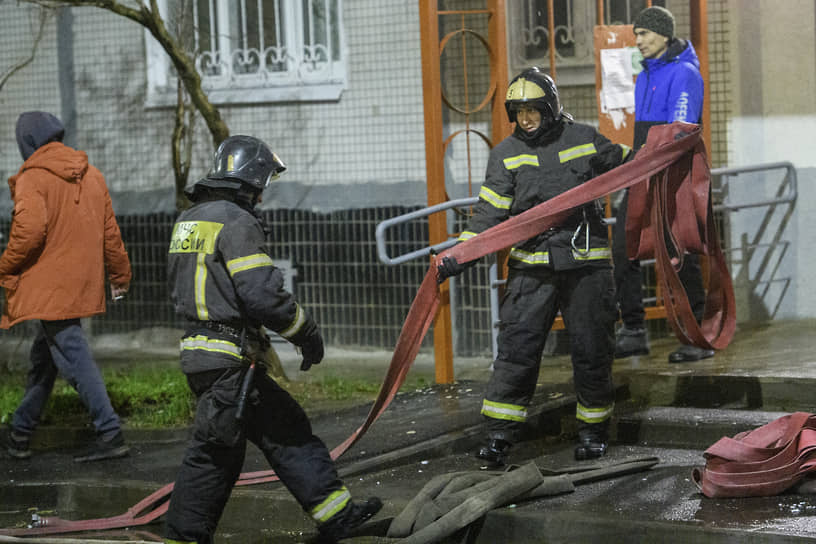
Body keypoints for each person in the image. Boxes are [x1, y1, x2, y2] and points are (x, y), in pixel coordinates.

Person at [163, 135, 381, 544]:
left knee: (281, 428)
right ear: (250, 181)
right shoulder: (236, 221)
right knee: (213, 456)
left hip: (202, 353)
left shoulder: (189, 219)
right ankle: (183, 537)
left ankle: (338, 516)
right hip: (228, 360)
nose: (262, 196)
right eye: (262, 184)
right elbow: (263, 295)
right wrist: (307, 334)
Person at [437, 68, 631, 466]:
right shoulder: (505, 154)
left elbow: (629, 165)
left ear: (550, 108)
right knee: (516, 352)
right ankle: (499, 437)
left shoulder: (583, 139)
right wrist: (459, 253)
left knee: (592, 350)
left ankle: (593, 431)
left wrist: (664, 148)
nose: (525, 118)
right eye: (518, 111)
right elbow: (488, 214)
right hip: (531, 269)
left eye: (532, 110)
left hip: (586, 266)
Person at [0, 111, 132, 463]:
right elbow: (110, 233)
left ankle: (110, 431)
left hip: (49, 288)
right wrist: (120, 275)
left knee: (74, 356)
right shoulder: (92, 175)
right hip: (80, 284)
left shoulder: (33, 178)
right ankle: (21, 432)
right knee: (44, 358)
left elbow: (28, 234)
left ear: (26, 143)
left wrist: (5, 265)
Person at [612, 5, 713, 363]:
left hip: (673, 177)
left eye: (644, 34)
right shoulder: (645, 75)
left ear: (664, 34)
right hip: (644, 174)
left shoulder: (685, 74)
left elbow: (680, 132)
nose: (637, 40)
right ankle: (635, 331)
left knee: (679, 254)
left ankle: (696, 336)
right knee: (622, 250)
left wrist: (651, 164)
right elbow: (644, 134)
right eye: (636, 34)